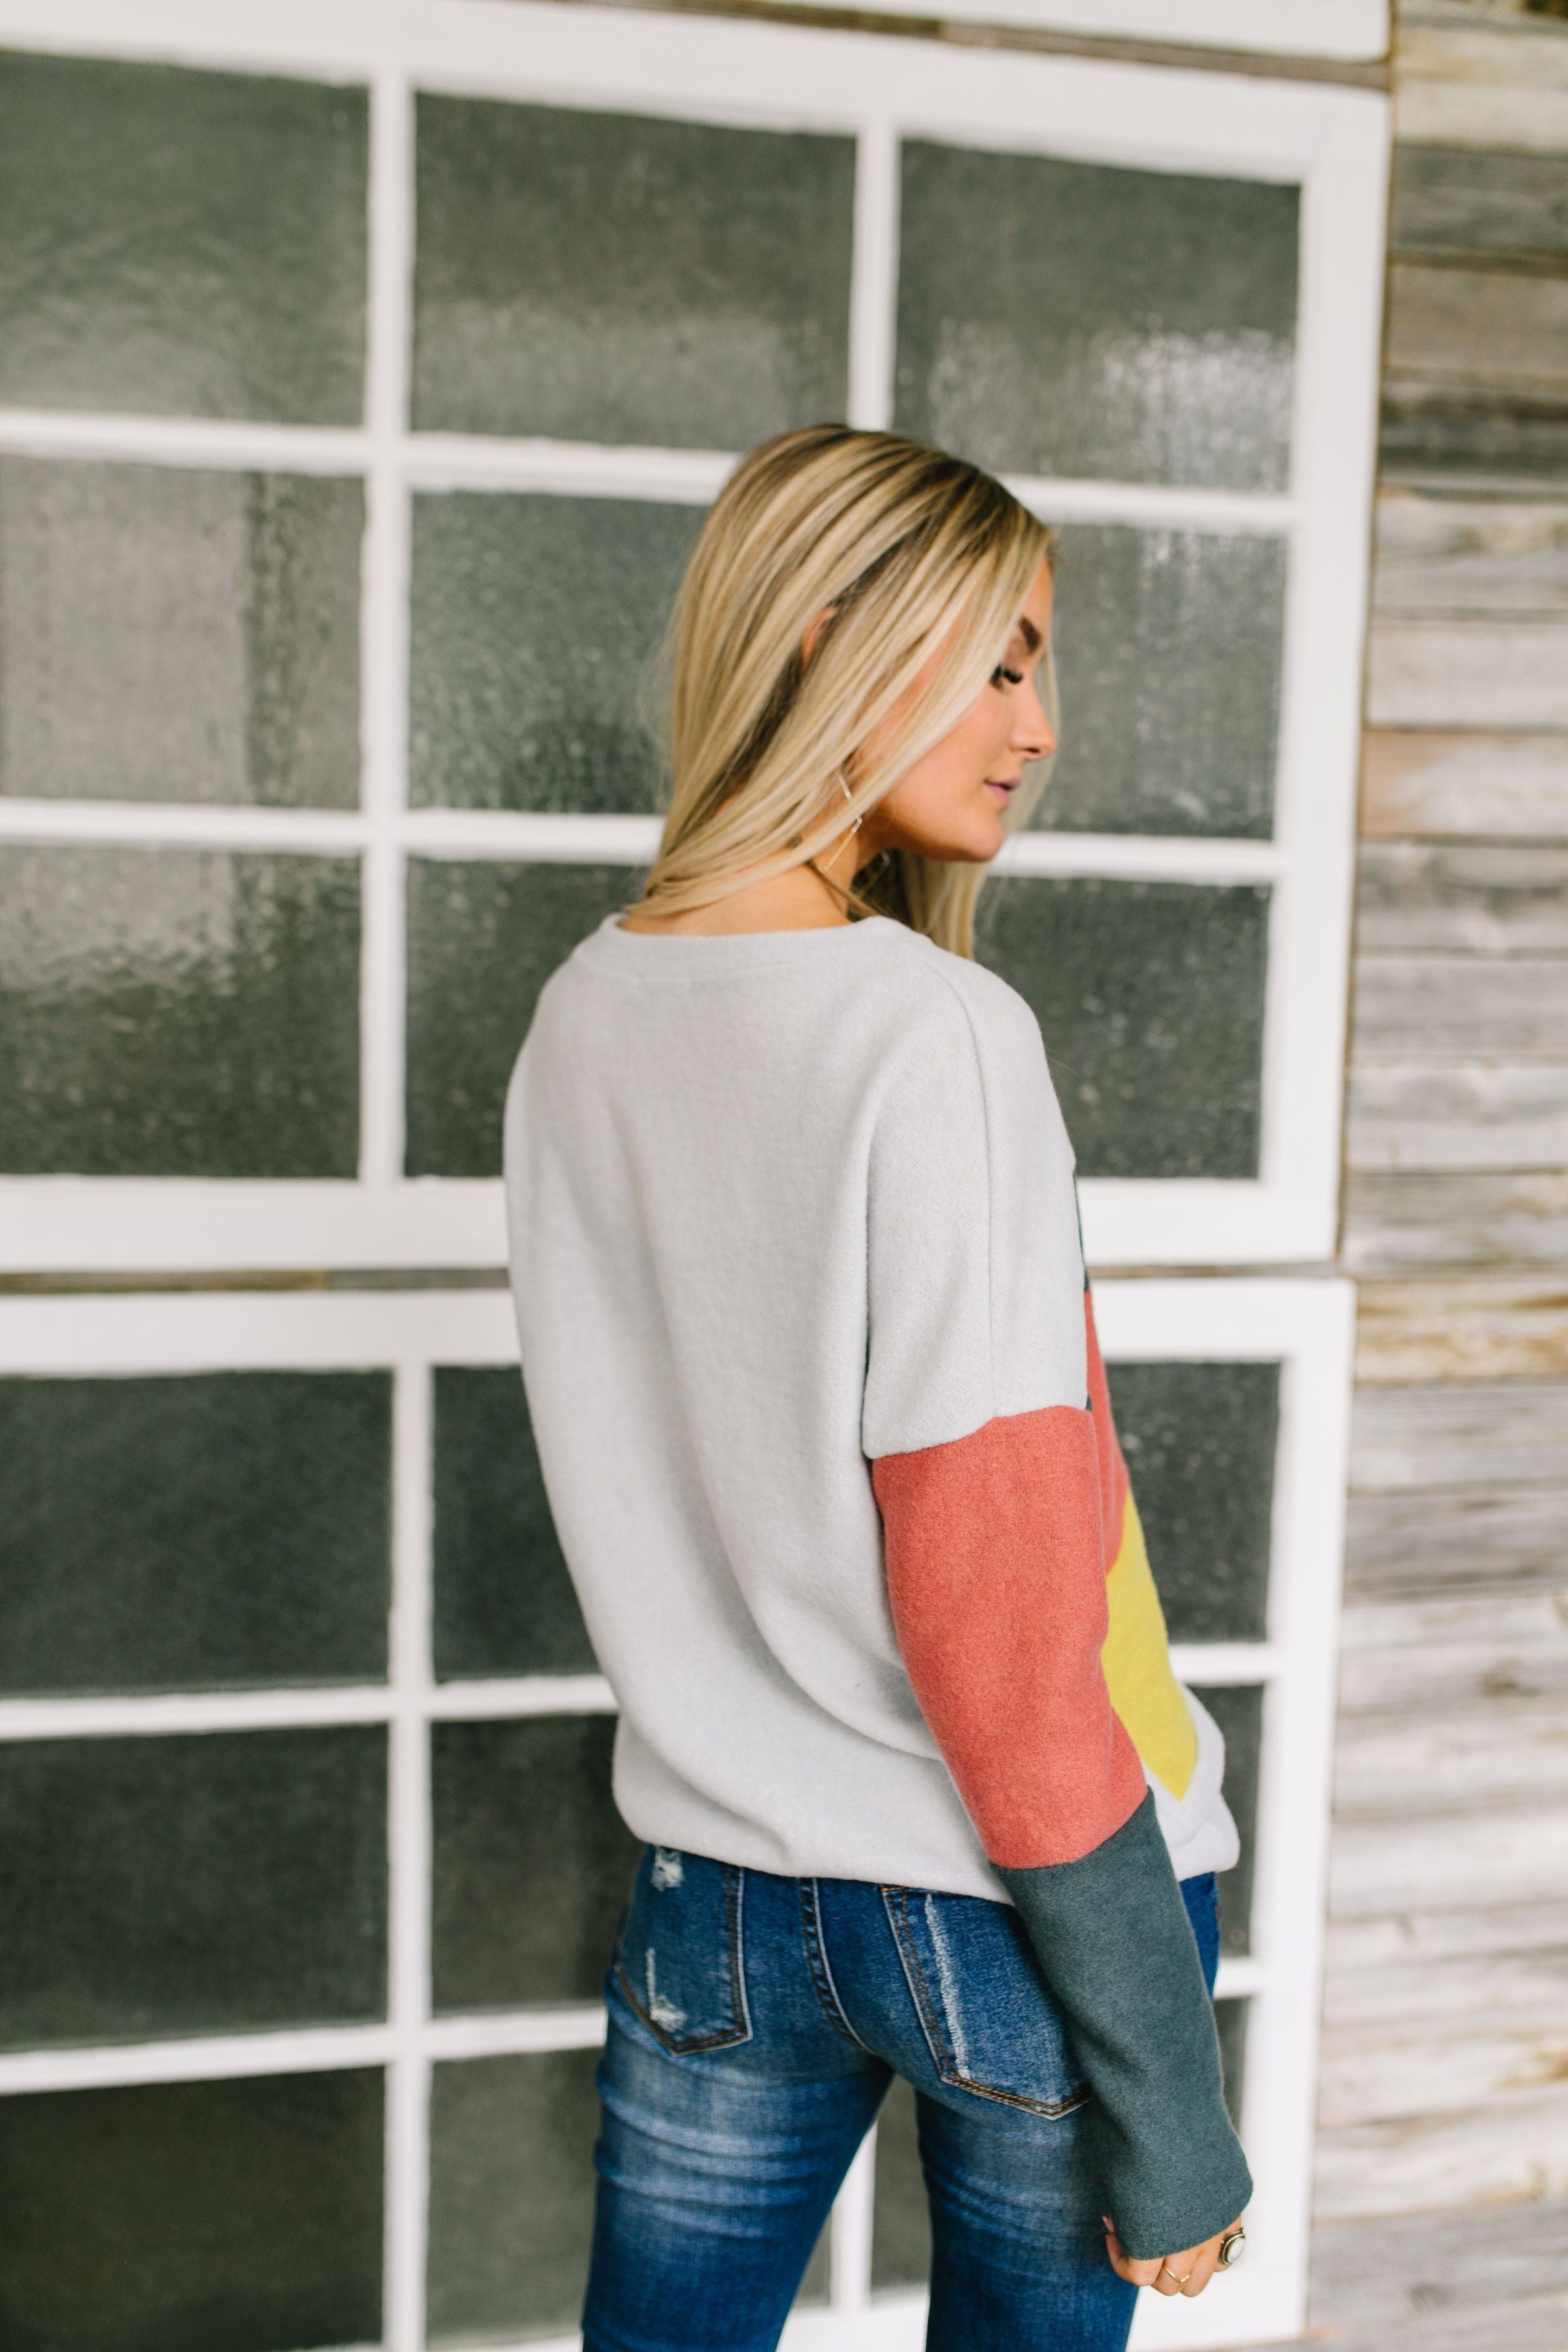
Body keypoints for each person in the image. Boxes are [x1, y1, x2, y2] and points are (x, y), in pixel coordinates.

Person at [504, 424, 1250, 2352]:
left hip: (717, 1897)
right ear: (832, 636)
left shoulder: (585, 1007)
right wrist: (1171, 2100)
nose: (1042, 723)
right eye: (997, 658)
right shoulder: (937, 1033)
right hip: (1011, 1914)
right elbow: (1001, 1610)